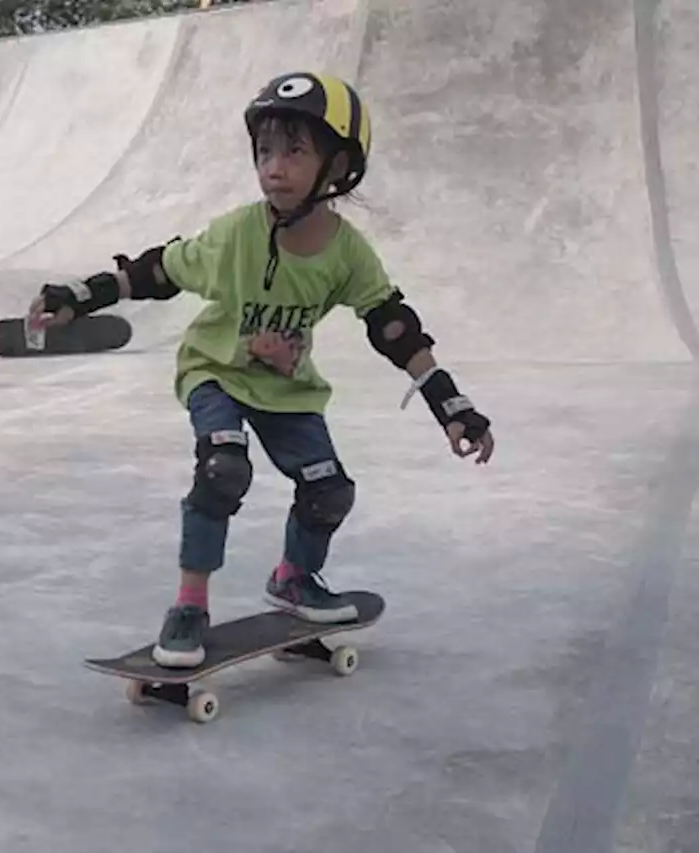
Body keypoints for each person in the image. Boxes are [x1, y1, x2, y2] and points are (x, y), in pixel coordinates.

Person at [28, 71, 495, 669]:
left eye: (295, 151)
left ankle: (293, 579)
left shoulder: (348, 255)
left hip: (288, 391)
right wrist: (81, 295)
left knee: (329, 490)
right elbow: (157, 271)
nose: (274, 167)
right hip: (215, 373)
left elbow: (393, 326)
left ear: (339, 165)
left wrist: (450, 405)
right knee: (223, 468)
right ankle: (190, 605)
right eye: (264, 151)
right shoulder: (234, 235)